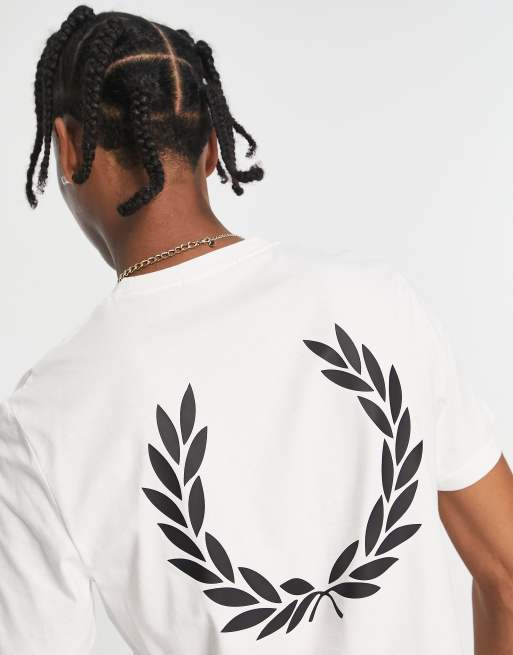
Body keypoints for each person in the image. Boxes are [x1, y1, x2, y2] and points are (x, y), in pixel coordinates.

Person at [1, 5, 512, 654]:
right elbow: (505, 575)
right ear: (213, 146)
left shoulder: (46, 416)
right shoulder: (383, 304)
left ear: (69, 146)